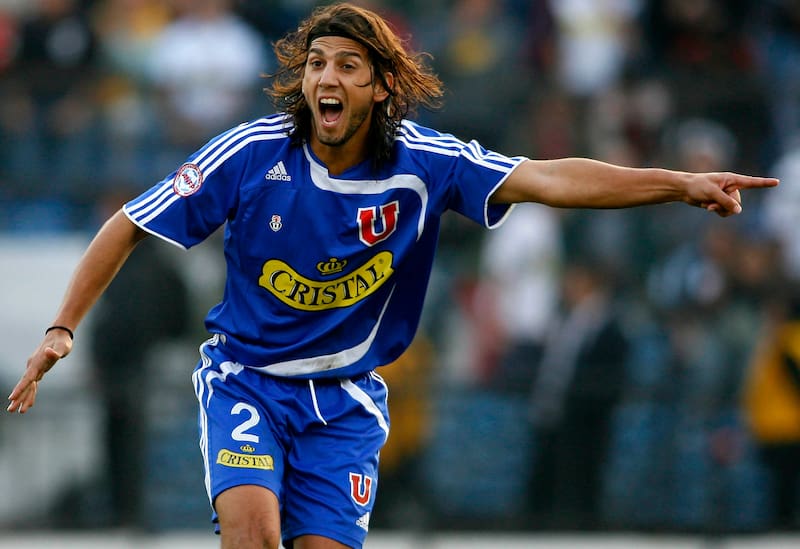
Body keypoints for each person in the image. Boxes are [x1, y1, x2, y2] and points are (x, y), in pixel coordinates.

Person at [6, 3, 778, 549]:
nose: (325, 78)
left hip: (345, 402)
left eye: (347, 64)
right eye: (315, 65)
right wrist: (61, 326)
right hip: (249, 380)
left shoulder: (424, 163)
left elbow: (551, 178)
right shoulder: (250, 152)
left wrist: (678, 182)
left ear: (380, 86)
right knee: (252, 530)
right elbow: (129, 224)